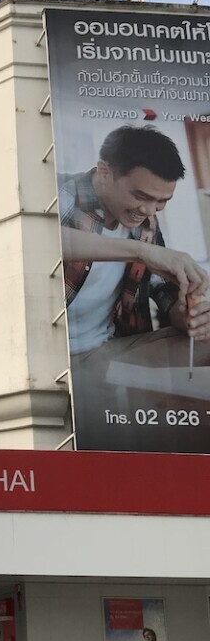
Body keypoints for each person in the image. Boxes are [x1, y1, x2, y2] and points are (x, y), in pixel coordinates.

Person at [58, 125, 210, 448]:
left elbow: (165, 294)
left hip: (108, 352)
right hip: (55, 363)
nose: (149, 211)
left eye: (161, 202)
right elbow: (43, 240)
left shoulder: (146, 223)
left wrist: (188, 315)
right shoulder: (62, 194)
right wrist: (142, 251)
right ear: (105, 171)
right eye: (141, 196)